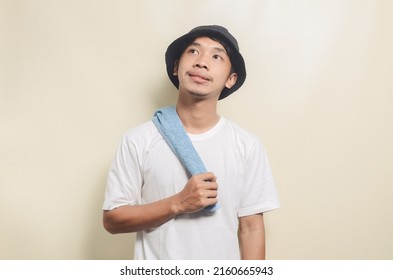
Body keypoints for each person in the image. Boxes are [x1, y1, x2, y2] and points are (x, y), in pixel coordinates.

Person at [102, 25, 280, 260]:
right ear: (176, 66)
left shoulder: (247, 146)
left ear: (231, 79)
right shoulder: (138, 140)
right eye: (193, 52)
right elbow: (113, 220)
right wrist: (178, 203)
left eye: (216, 56)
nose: (202, 62)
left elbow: (251, 228)